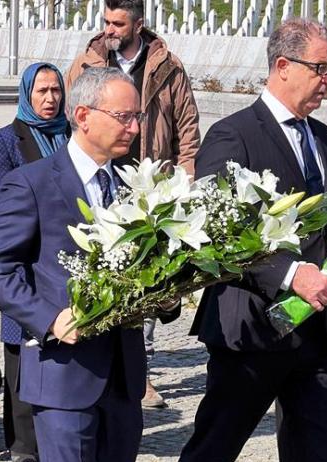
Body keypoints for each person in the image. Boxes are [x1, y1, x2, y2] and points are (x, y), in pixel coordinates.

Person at [174, 18, 327, 462]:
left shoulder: (326, 140)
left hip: (320, 333)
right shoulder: (232, 136)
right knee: (212, 452)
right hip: (252, 329)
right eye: (321, 68)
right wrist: (292, 274)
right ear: (282, 65)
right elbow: (218, 232)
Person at [0, 67, 146, 462]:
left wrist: (168, 292)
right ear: (84, 116)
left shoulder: (136, 183)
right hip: (62, 375)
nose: (135, 127)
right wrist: (49, 319)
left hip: (123, 379)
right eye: (124, 117)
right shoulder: (31, 183)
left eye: (138, 116)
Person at [66, 0, 201, 408]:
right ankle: (100, 366)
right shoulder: (87, 64)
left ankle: (139, 374)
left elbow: (187, 128)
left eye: (118, 22)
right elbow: (70, 121)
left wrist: (185, 180)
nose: (109, 29)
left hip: (148, 187)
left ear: (139, 24)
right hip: (99, 184)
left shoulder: (168, 68)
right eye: (106, 21)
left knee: (145, 278)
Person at [0, 61, 70, 462]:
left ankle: (56, 429)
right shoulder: (5, 140)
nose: (50, 99)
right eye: (42, 91)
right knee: (20, 353)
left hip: (63, 262)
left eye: (56, 91)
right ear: (26, 94)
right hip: (24, 262)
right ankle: (21, 442)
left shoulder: (73, 135)